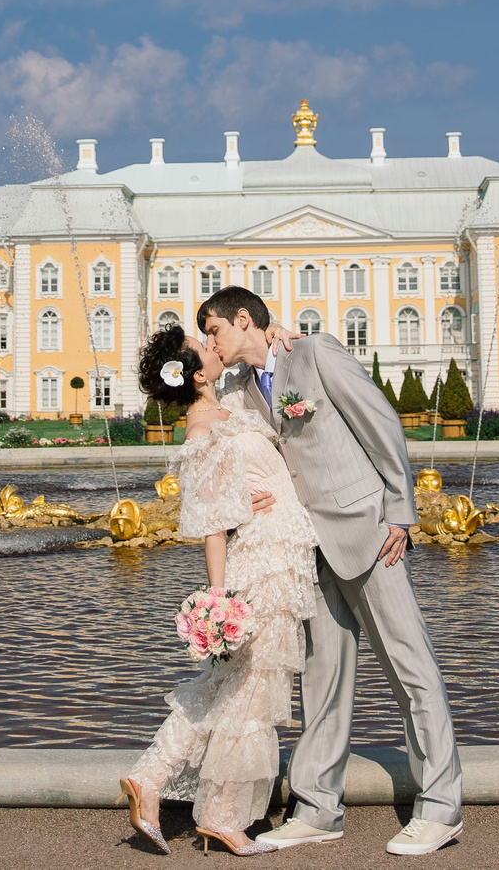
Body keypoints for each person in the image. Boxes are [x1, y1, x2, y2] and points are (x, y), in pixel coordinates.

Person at [199, 287, 463, 857]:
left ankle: (441, 808)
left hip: (368, 532)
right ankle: (318, 808)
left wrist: (400, 509)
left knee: (409, 668)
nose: (210, 342)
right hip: (304, 548)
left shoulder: (312, 353)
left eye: (215, 329)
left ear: (244, 319)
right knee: (321, 680)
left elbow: (381, 422)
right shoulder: (239, 387)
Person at [122, 325, 318, 856]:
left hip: (281, 549)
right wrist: (219, 598)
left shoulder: (226, 398)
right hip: (264, 564)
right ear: (196, 373)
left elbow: (248, 347)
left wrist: (273, 328)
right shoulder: (202, 424)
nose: (211, 343)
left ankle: (151, 776)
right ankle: (223, 817)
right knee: (253, 692)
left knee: (226, 686)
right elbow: (210, 520)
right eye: (201, 343)